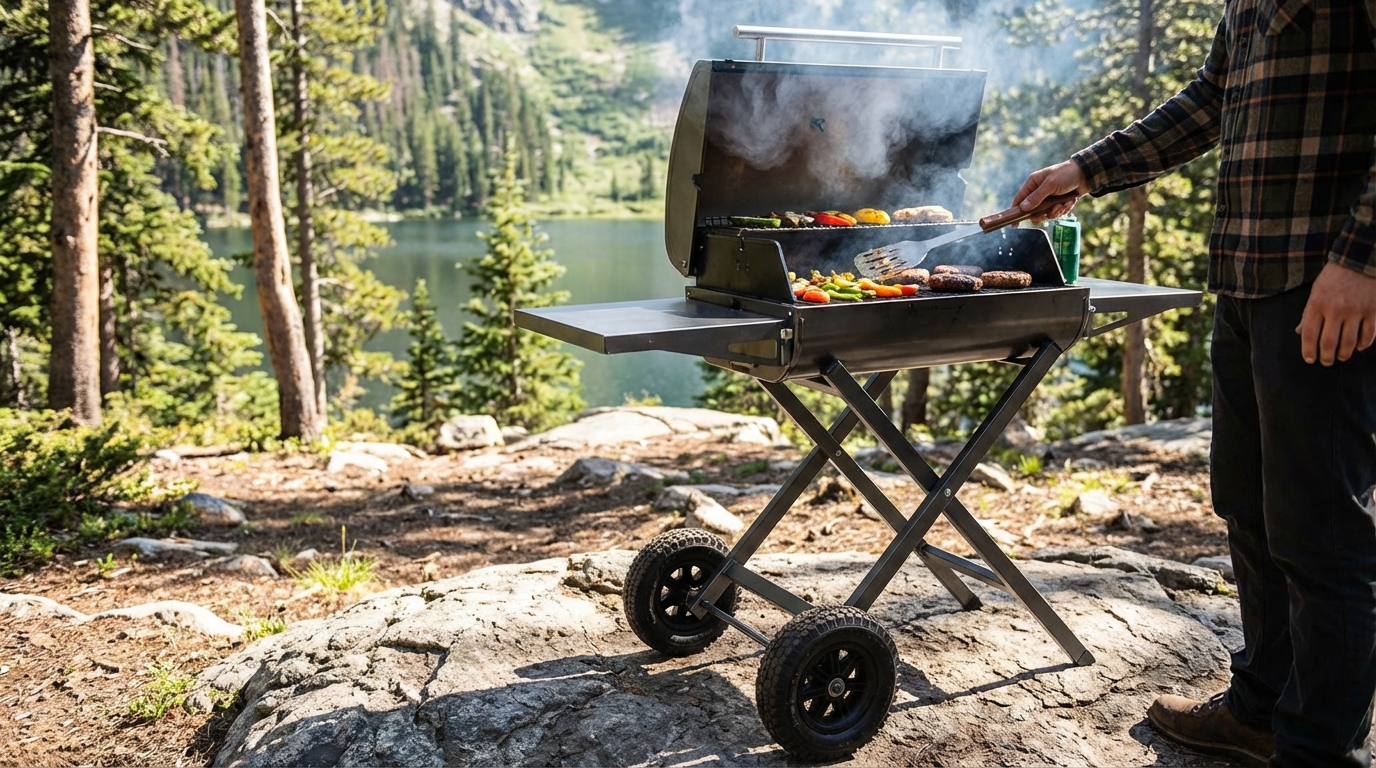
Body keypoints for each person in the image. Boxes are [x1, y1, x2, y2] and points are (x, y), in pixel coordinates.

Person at [1012, 0, 1376, 764]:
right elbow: (1212, 98)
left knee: (1322, 533)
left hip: (1326, 284)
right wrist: (1088, 168)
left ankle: (1317, 748)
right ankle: (1262, 708)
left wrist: (1361, 262)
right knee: (1246, 504)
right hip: (1246, 278)